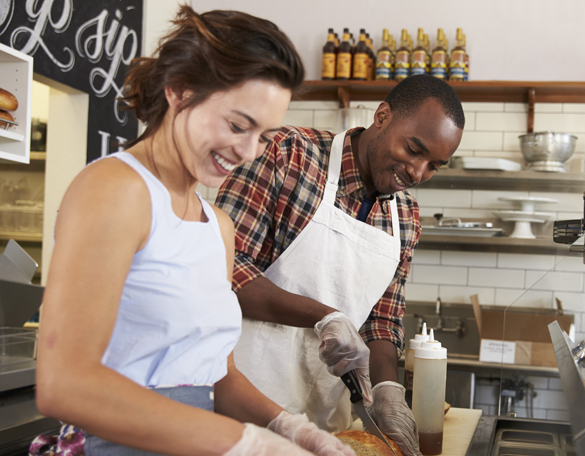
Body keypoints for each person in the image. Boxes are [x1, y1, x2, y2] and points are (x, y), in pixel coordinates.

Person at [30, 7, 355, 456]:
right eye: (238, 125)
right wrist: (245, 443)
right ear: (180, 91)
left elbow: (215, 376)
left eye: (263, 135)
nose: (247, 151)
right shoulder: (116, 189)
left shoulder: (216, 227)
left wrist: (290, 427)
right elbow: (64, 385)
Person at [215, 74, 465, 456]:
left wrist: (386, 389)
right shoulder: (288, 154)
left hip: (328, 429)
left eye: (434, 165)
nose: (417, 173)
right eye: (414, 149)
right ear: (382, 116)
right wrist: (325, 317)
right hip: (241, 408)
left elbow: (382, 320)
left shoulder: (407, 215)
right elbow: (223, 269)